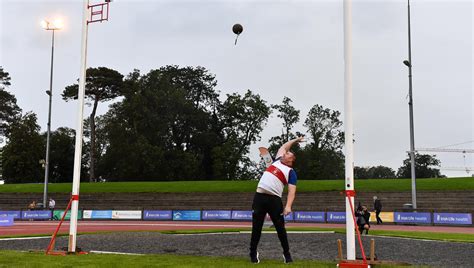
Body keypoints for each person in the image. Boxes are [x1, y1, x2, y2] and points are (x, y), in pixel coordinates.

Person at [249, 136, 304, 264]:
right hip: (259, 197)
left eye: (288, 154)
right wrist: (295, 140)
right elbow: (284, 146)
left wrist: (288, 206)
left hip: (274, 200)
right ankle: (252, 253)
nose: (284, 153)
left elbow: (292, 191)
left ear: (291, 159)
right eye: (285, 153)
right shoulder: (277, 161)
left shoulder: (291, 172)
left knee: (280, 229)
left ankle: (287, 254)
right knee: (256, 227)